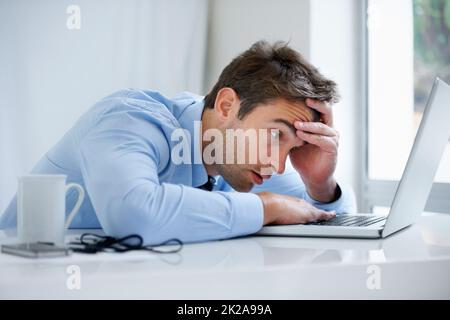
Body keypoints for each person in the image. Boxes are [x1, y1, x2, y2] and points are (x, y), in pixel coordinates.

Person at [0, 41, 356, 244]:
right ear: (227, 105)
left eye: (291, 148)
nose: (277, 165)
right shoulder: (128, 120)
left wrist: (319, 184)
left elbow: (326, 220)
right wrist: (265, 208)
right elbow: (133, 214)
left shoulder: (243, 158)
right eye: (275, 135)